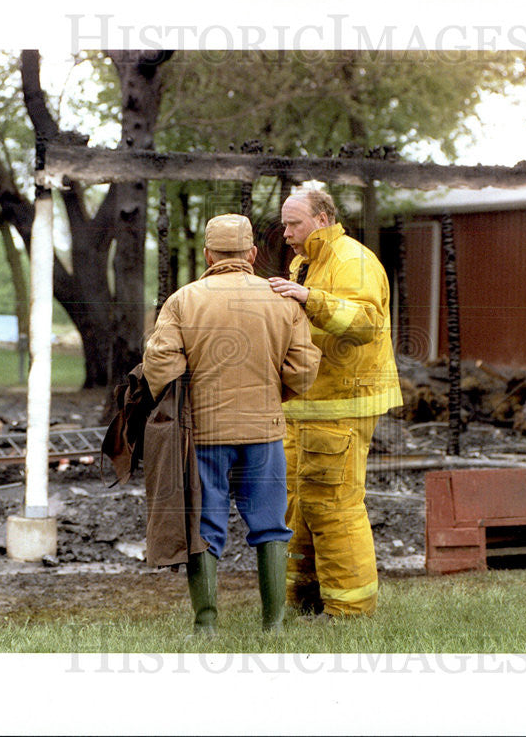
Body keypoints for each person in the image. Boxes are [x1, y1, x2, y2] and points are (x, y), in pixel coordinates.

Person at [143, 213, 320, 634]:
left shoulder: (183, 300)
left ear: (208, 254)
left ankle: (206, 624)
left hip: (203, 436)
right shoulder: (282, 300)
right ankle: (273, 624)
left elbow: (160, 365)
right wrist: (272, 397)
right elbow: (303, 370)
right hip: (264, 434)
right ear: (252, 254)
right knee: (271, 525)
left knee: (204, 526)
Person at [268, 188, 402, 618]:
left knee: (334, 505)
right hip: (309, 403)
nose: (286, 233)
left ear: (322, 219)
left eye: (295, 223)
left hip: (342, 404)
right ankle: (301, 599)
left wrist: (310, 299)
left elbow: (364, 322)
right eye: (285, 224)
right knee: (298, 502)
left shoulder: (352, 260)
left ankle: (351, 612)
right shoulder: (305, 261)